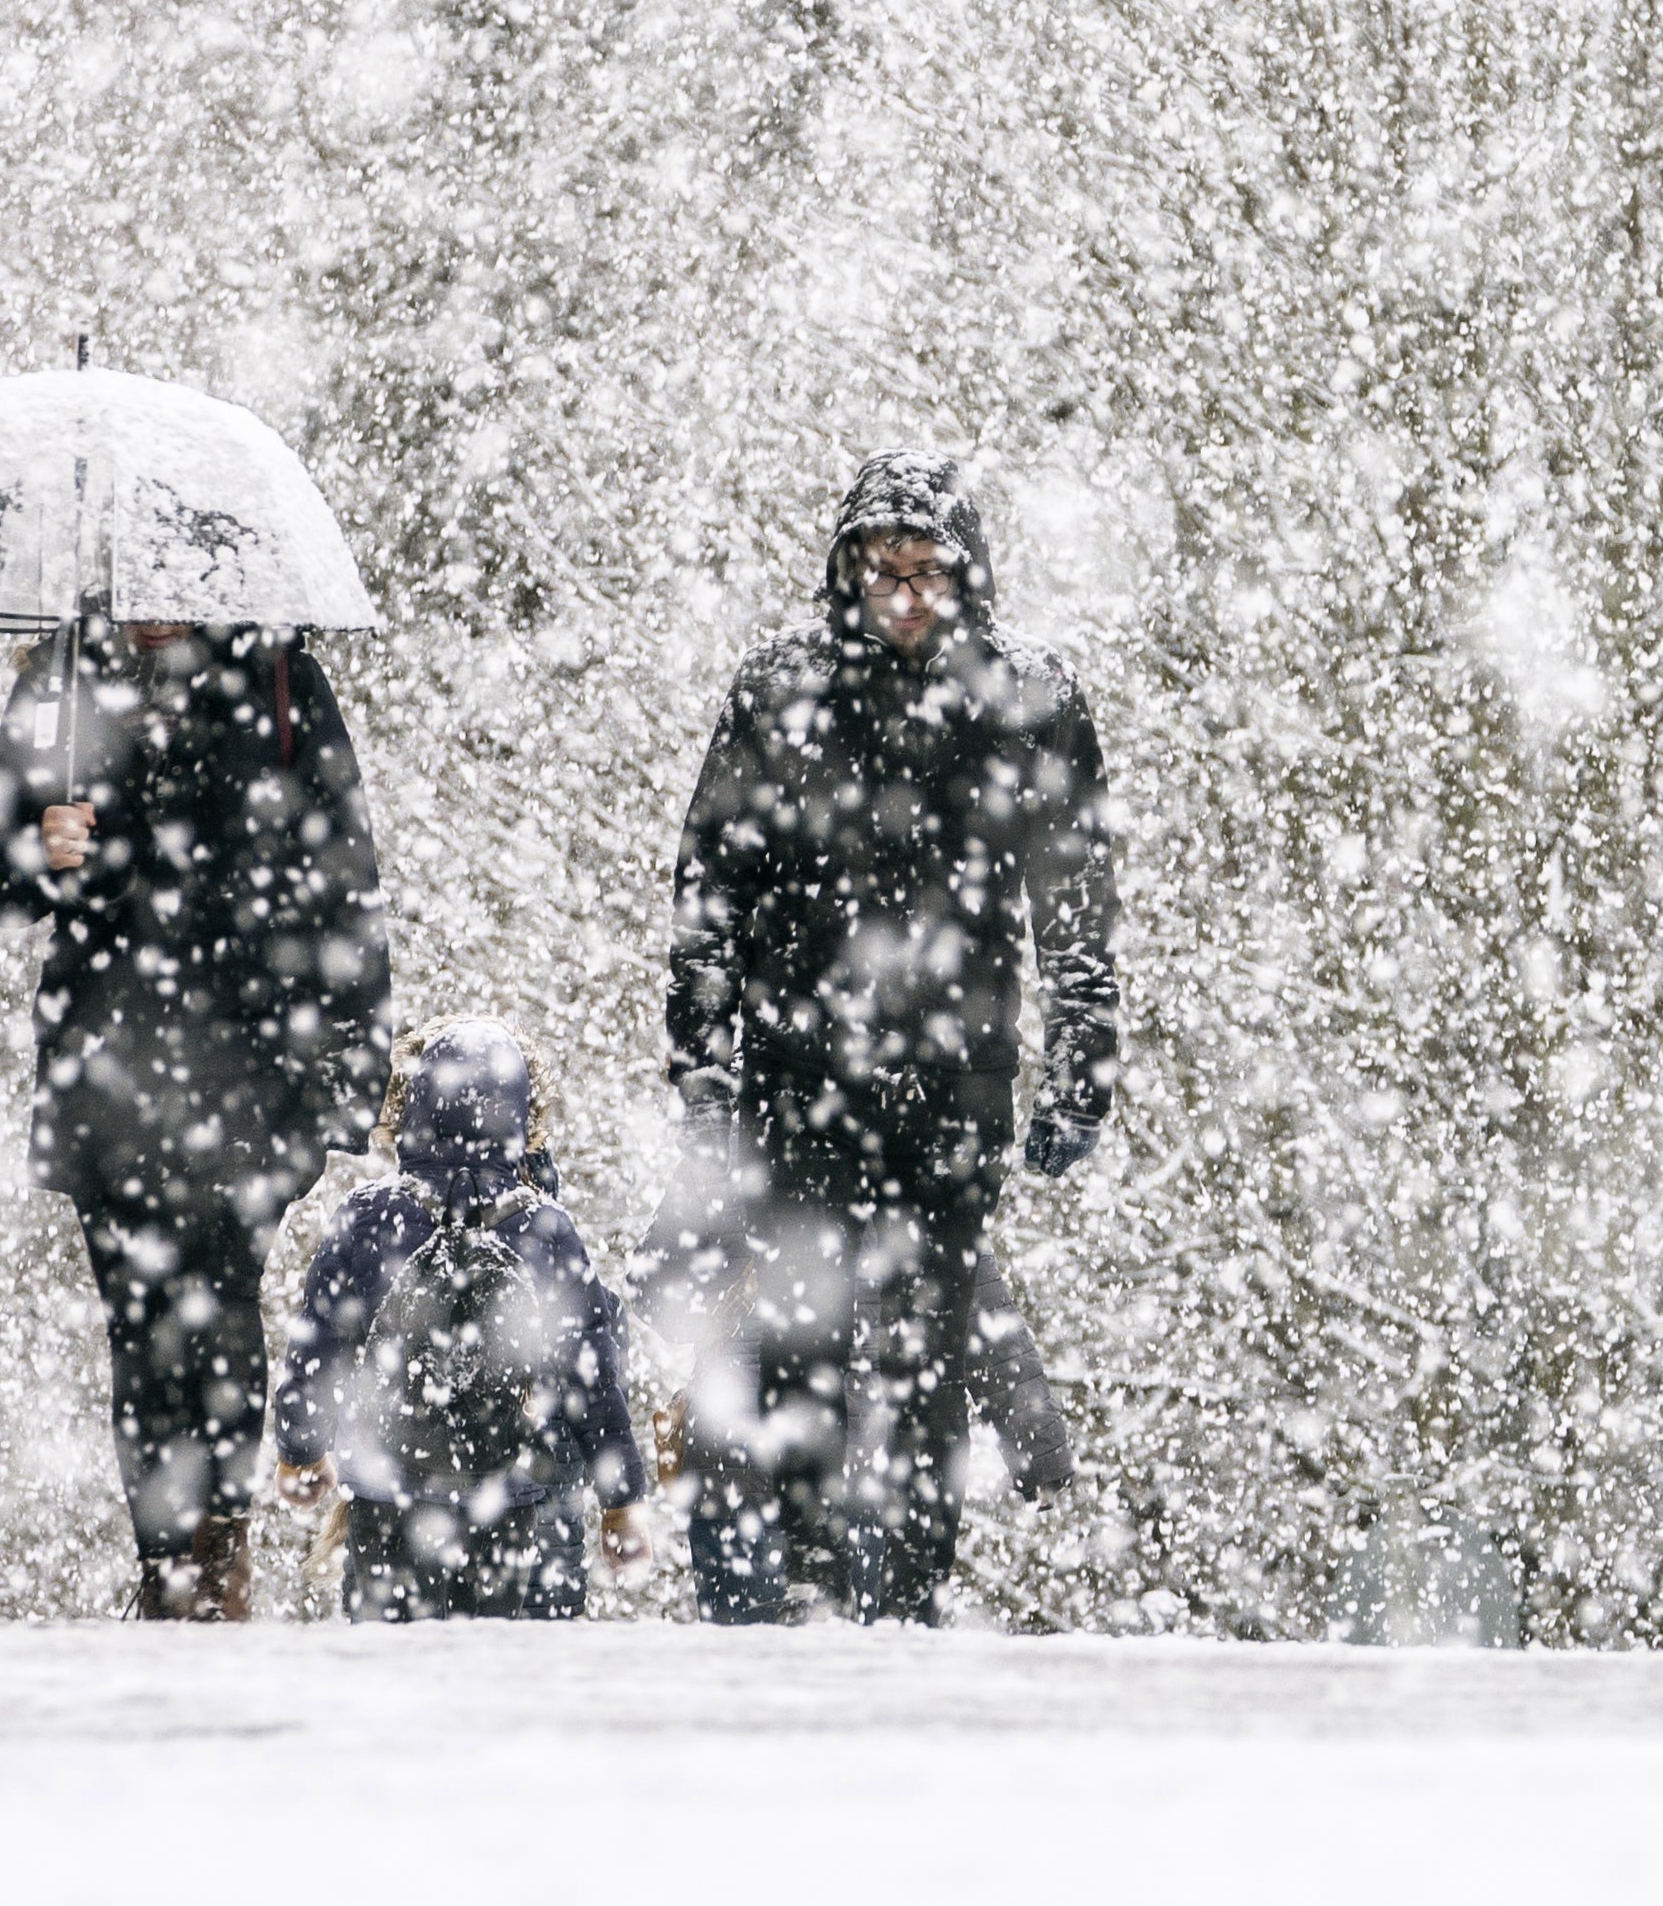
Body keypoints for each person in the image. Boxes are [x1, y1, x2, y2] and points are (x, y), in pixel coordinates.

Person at [663, 450, 1118, 1623]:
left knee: (925, 1350)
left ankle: (908, 1592)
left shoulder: (1028, 702)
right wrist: (705, 1074)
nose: (906, 594)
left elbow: (1076, 907)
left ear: (966, 576)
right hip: (798, 1074)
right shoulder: (780, 695)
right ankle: (811, 1578)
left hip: (953, 1082)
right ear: (847, 572)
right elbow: (708, 897)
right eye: (885, 570)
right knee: (802, 1341)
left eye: (928, 572)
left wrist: (1084, 1065)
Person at [0, 616, 388, 1619]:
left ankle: (215, 1553)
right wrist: (38, 844)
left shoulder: (283, 679)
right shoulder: (63, 676)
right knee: (141, 1331)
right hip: (109, 1069)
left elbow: (348, 886)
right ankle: (169, 1567)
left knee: (222, 1312)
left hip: (249, 1067)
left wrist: (343, 1085)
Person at [273, 1018, 648, 1619]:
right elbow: (594, 1377)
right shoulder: (545, 1226)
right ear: (524, 1115)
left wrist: (300, 1448)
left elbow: (320, 1345)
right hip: (505, 1494)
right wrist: (620, 1501)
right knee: (492, 1666)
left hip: (385, 1490)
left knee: (383, 1664)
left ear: (410, 1105)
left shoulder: (369, 1215)